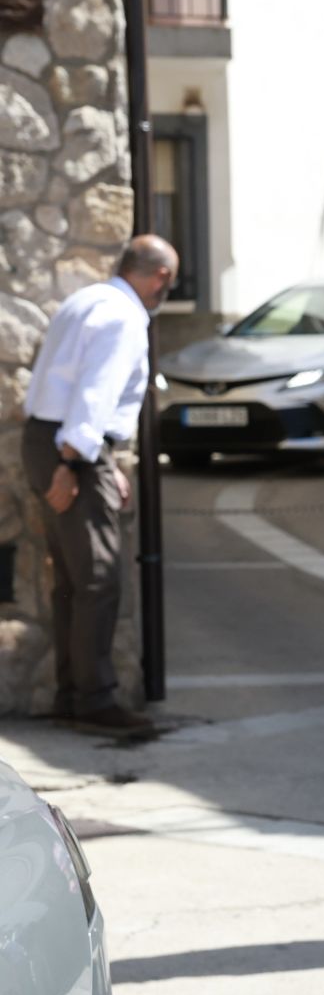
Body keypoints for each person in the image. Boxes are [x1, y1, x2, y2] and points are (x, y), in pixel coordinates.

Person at [20, 235, 176, 737]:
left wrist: (101, 461)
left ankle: (72, 694)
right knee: (98, 581)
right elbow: (94, 396)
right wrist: (78, 465)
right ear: (161, 278)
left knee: (72, 582)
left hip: (52, 440)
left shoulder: (85, 299)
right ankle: (93, 700)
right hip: (73, 449)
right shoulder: (124, 317)